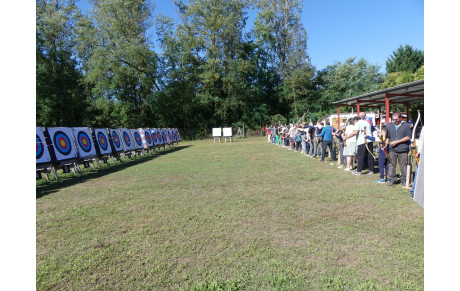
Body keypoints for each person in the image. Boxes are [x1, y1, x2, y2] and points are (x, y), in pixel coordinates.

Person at [385, 112, 411, 186]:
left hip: (403, 149)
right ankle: (392, 179)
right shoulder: (389, 125)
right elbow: (388, 136)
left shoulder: (405, 125)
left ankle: (403, 179)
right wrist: (386, 143)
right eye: (393, 119)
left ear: (400, 118)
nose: (394, 121)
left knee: (403, 165)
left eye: (396, 119)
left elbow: (408, 137)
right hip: (392, 149)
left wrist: (397, 142)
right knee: (391, 165)